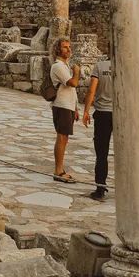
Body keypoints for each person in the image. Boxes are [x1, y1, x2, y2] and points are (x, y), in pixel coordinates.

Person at [82, 43, 114, 201]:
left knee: (101, 153)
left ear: (107, 49)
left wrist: (86, 110)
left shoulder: (100, 66)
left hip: (102, 113)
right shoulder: (128, 67)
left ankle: (100, 188)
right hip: (121, 115)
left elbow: (92, 90)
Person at [49, 38, 81, 183]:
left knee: (65, 138)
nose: (68, 49)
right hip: (61, 106)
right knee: (61, 138)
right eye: (65, 47)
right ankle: (58, 170)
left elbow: (71, 92)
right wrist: (76, 72)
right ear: (58, 49)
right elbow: (73, 83)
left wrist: (76, 108)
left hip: (68, 106)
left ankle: (60, 169)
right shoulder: (58, 67)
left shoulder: (65, 66)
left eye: (69, 46)